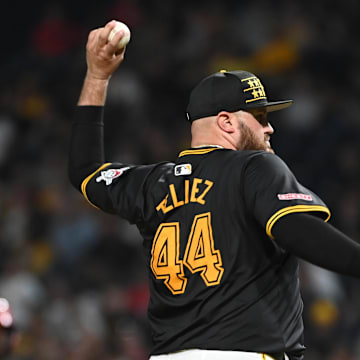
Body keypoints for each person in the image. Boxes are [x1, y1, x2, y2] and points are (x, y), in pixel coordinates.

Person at [68, 20, 360, 360]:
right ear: (226, 122)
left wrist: (97, 77)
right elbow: (294, 229)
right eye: (260, 116)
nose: (270, 127)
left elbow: (85, 171)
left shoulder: (151, 183)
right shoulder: (254, 166)